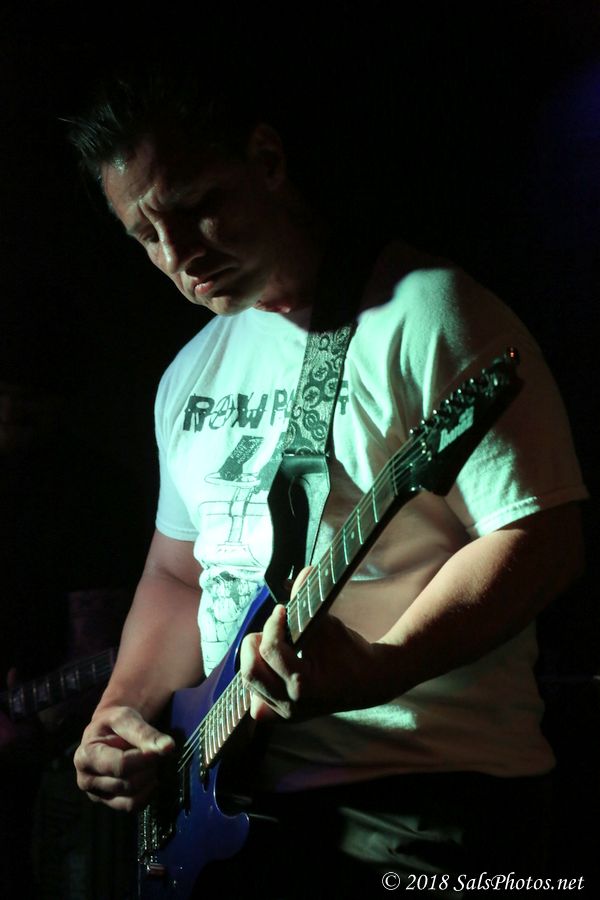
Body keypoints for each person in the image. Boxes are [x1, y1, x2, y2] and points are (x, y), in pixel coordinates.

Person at [69, 64, 587, 897]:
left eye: (196, 205)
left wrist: (383, 665)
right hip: (233, 805)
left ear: (267, 160)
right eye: (145, 235)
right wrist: (118, 712)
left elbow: (543, 535)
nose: (177, 254)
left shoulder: (427, 311)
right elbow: (177, 573)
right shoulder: (188, 372)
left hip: (421, 797)